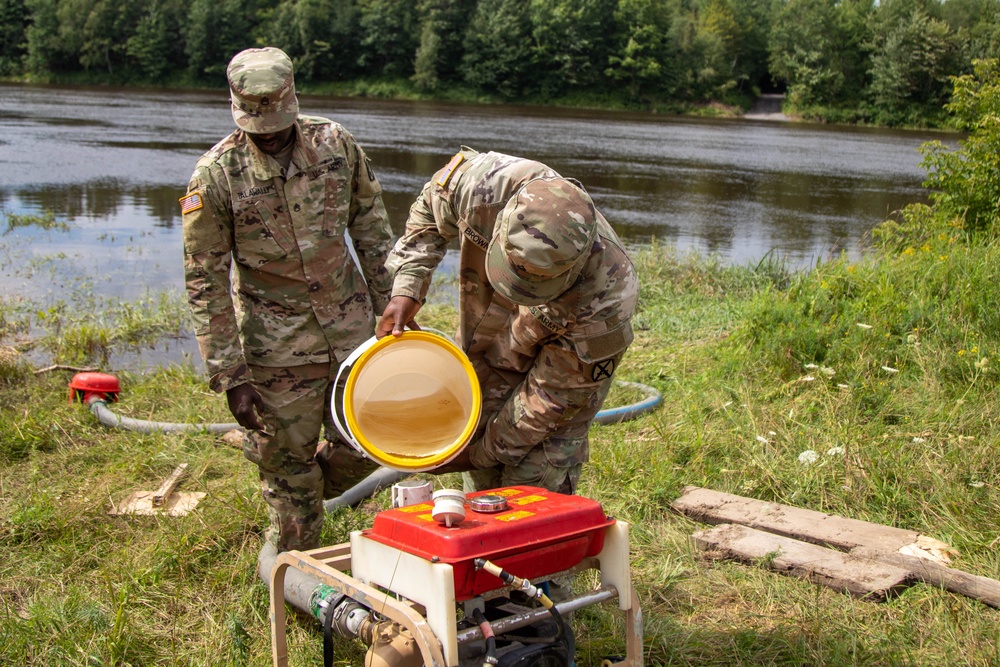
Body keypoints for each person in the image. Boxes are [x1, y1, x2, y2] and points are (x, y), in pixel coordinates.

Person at [181, 47, 392, 553]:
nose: (269, 132)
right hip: (276, 352)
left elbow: (373, 231)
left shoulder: (336, 145)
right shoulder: (217, 175)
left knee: (374, 443)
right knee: (288, 471)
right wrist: (231, 376)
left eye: (276, 118)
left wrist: (395, 310)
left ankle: (305, 486)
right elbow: (204, 279)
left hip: (352, 333)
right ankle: (294, 583)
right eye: (257, 123)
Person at [377, 148, 638, 495]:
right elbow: (430, 207)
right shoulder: (486, 184)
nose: (517, 291)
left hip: (554, 391)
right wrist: (407, 287)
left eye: (536, 285)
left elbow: (547, 401)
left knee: (530, 491)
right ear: (502, 222)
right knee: (479, 491)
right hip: (483, 352)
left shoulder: (608, 298)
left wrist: (477, 455)